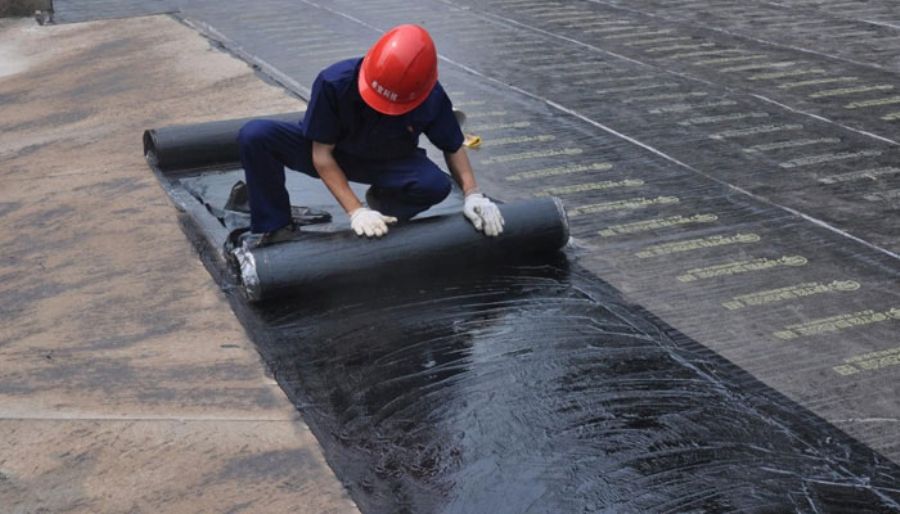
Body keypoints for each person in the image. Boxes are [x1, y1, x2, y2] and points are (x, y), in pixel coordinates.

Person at [237, 24, 504, 246]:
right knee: (256, 135)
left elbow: (453, 146)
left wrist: (473, 194)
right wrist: (355, 211)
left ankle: (384, 212)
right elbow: (321, 155)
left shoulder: (430, 96)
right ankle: (276, 226)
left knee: (434, 184)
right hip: (332, 151)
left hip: (388, 159)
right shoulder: (334, 83)